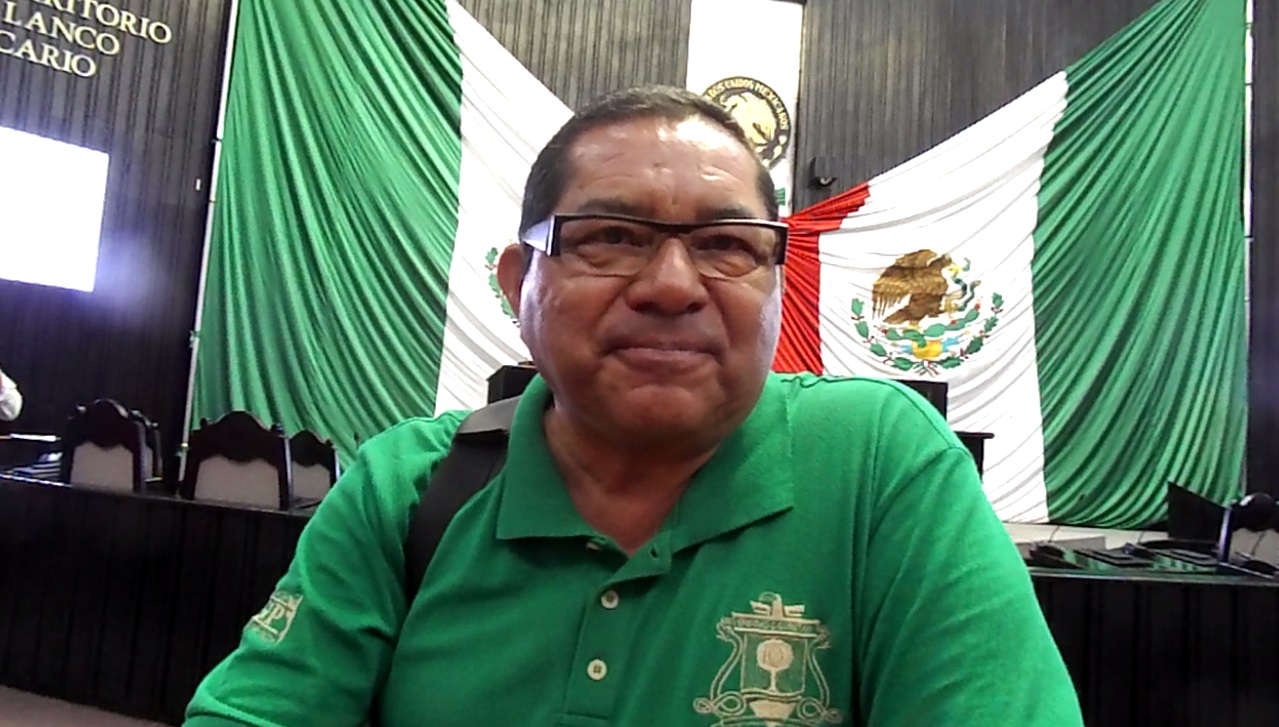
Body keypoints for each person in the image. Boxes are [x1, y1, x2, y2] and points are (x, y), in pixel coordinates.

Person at [185, 87, 1083, 726]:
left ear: (775, 286)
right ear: (519, 282)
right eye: (611, 236)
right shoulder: (406, 486)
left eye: (726, 244)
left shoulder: (882, 464)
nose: (671, 286)